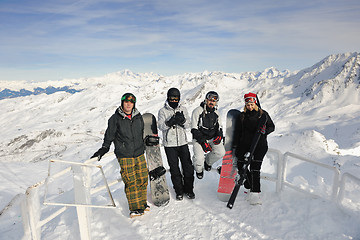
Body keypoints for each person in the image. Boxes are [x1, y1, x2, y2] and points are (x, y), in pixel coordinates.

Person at [91, 93, 149, 218]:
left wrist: (145, 143)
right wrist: (104, 149)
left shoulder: (138, 117)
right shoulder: (115, 119)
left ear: (134, 104)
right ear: (122, 103)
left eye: (131, 102)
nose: (128, 104)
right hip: (125, 155)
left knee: (143, 178)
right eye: (126, 101)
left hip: (139, 153)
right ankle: (135, 208)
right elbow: (109, 136)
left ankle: (142, 203)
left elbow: (141, 133)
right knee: (131, 182)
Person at [233, 92, 275, 205]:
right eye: (248, 104)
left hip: (259, 145)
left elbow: (272, 126)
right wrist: (236, 147)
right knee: (241, 165)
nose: (250, 106)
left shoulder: (263, 115)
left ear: (255, 103)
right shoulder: (242, 116)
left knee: (255, 168)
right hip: (245, 145)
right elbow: (238, 132)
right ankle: (249, 185)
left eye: (251, 104)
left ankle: (255, 193)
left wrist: (264, 131)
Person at [158, 88, 195, 200]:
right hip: (170, 145)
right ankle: (179, 191)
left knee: (188, 168)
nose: (174, 100)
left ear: (179, 98)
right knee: (174, 169)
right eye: (171, 98)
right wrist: (171, 121)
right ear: (168, 98)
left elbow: (188, 125)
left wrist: (182, 120)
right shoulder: (162, 111)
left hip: (183, 143)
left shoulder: (183, 109)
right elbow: (161, 126)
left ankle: (189, 190)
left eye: (176, 98)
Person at [191, 91, 225, 179]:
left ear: (216, 102)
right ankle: (199, 170)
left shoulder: (216, 113)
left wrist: (219, 136)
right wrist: (203, 142)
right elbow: (194, 129)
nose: (212, 102)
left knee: (221, 152)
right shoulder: (198, 111)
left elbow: (220, 127)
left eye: (214, 101)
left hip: (211, 138)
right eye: (210, 100)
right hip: (199, 139)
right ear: (206, 100)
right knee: (199, 158)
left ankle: (208, 162)